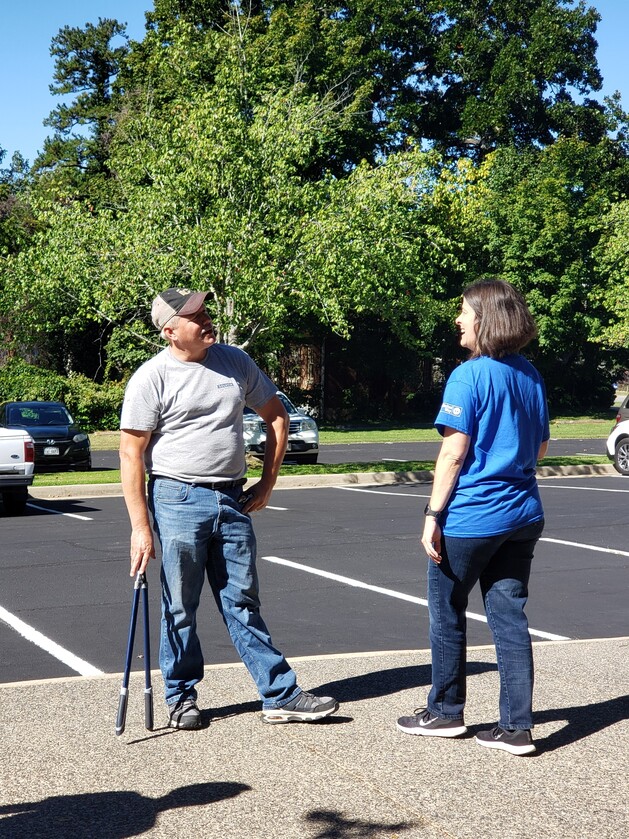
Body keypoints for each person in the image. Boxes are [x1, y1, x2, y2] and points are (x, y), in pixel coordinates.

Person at [119, 287, 338, 729]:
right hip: (177, 497)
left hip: (232, 497)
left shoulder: (235, 361)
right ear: (171, 331)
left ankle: (279, 695)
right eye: (195, 316)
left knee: (242, 600)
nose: (206, 320)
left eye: (205, 311)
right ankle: (181, 697)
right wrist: (140, 527)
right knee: (180, 604)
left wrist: (269, 481)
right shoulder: (151, 377)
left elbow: (277, 416)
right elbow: (130, 453)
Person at [397, 279, 549, 756]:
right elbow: (541, 446)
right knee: (509, 617)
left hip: (472, 517)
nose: (458, 319)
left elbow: (453, 453)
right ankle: (516, 728)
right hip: (523, 513)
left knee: (446, 612)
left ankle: (444, 712)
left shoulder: (468, 375)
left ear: (485, 319)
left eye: (464, 311)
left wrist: (432, 513)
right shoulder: (530, 374)